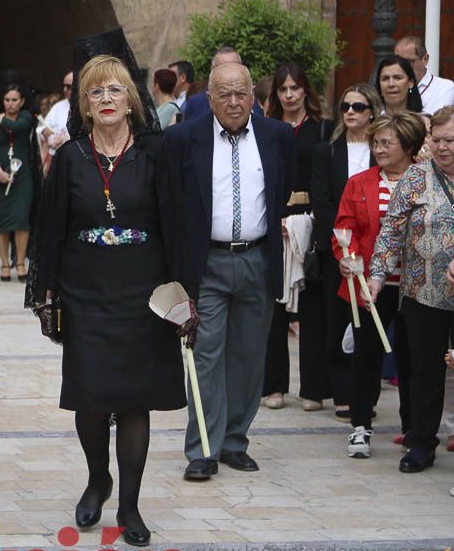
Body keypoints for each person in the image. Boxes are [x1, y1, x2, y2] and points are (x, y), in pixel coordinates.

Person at [29, 47, 189, 547]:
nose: (105, 98)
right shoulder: (71, 159)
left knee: (135, 402)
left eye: (115, 89)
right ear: (82, 103)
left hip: (145, 295)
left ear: (132, 99)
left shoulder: (155, 154)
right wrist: (44, 294)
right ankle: (99, 478)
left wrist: (187, 296)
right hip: (85, 294)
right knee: (92, 401)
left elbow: (177, 228)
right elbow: (49, 231)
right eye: (94, 91)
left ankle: (131, 506)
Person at [163, 61, 294, 482]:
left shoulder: (277, 136)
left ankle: (235, 440)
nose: (234, 101)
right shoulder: (184, 138)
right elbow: (172, 200)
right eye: (224, 93)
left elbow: (283, 189)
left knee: (249, 356)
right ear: (209, 98)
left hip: (257, 259)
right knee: (205, 355)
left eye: (241, 93)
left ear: (254, 96)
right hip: (208, 262)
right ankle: (203, 447)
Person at [334, 112, 425, 459]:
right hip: (371, 286)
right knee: (366, 356)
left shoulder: (425, 180)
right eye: (376, 143)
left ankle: (414, 429)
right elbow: (345, 229)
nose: (379, 149)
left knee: (412, 360)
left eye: (386, 143)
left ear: (408, 145)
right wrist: (349, 258)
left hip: (416, 287)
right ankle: (360, 427)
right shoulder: (360, 183)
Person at [369, 106, 454, 473]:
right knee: (425, 369)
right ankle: (421, 441)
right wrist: (376, 274)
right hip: (423, 291)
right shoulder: (416, 177)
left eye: (451, 140)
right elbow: (391, 230)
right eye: (436, 139)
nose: (443, 147)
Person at [262, 62, 331, 412]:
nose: (289, 95)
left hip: (311, 219)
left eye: (295, 88)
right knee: (274, 304)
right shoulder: (265, 129)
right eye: (283, 89)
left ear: (306, 90)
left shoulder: (322, 129)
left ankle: (314, 388)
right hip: (275, 218)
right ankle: (274, 386)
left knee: (312, 304)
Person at [311, 84, 383, 421]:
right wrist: (343, 249)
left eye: (358, 106)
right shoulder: (326, 152)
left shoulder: (381, 151)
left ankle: (366, 395)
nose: (350, 112)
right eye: (345, 107)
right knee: (337, 320)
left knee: (371, 324)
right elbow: (322, 202)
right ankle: (342, 392)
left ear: (372, 111)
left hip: (375, 249)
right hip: (338, 251)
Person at [0, 84, 37, 281]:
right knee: (2, 222)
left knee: (22, 219)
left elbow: (15, 127)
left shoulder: (26, 118)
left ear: (21, 101)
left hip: (22, 178)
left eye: (15, 100)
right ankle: (5, 264)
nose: (11, 103)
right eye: (7, 100)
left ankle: (20, 262)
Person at [180, 48, 244, 122]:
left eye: (233, 67)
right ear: (212, 71)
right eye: (222, 68)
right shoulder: (197, 103)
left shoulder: (252, 99)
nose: (228, 73)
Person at [395, 36, 454, 116]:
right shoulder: (390, 86)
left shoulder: (444, 88)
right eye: (397, 61)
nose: (401, 67)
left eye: (408, 62)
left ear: (425, 59)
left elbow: (438, 121)